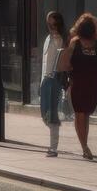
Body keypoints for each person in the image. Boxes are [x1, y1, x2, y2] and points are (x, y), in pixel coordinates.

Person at [64, 13, 97, 160]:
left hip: (81, 82)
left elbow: (67, 63)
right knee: (81, 114)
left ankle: (84, 145)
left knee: (83, 114)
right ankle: (85, 147)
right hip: (89, 83)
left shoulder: (76, 43)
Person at [39, 10, 68, 157]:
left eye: (54, 24)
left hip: (54, 79)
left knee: (52, 115)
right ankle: (53, 143)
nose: (52, 27)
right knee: (44, 113)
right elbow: (44, 63)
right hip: (45, 80)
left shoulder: (60, 40)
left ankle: (53, 147)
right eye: (49, 24)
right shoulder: (47, 39)